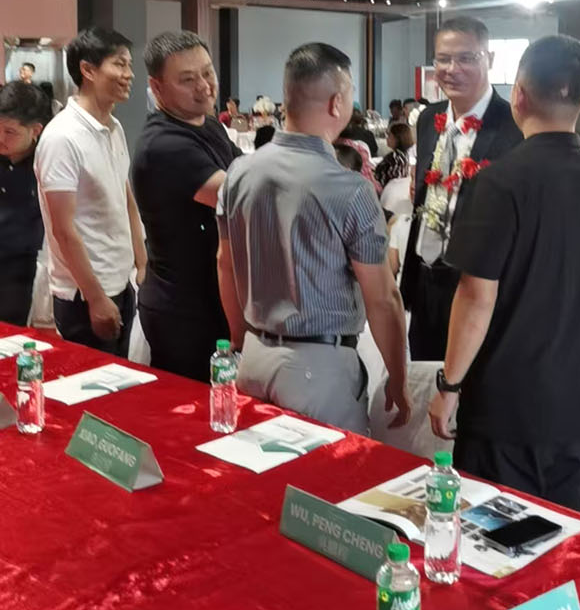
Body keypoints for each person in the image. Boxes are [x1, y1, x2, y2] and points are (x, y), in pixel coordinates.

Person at [428, 35, 580, 511]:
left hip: (505, 404)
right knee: (561, 527)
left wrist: (450, 386)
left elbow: (476, 296)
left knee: (490, 529)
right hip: (577, 400)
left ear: (518, 95)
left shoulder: (497, 183)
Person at [216, 42, 410, 434]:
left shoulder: (239, 172)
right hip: (317, 369)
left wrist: (239, 340)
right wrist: (398, 377)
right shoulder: (349, 189)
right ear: (337, 103)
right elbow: (382, 298)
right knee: (328, 471)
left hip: (254, 357)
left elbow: (225, 263)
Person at [401, 15, 523, 363]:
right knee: (425, 377)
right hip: (426, 279)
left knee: (471, 384)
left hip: (479, 286)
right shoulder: (429, 119)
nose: (452, 69)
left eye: (467, 58)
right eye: (443, 59)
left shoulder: (514, 126)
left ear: (490, 59)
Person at [132, 31, 241, 381]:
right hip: (182, 310)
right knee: (190, 406)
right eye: (188, 79)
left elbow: (244, 168)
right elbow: (238, 193)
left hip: (211, 298)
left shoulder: (209, 126)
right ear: (157, 87)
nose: (204, 86)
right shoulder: (163, 145)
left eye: (207, 72)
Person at [35, 27, 145, 355]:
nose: (129, 74)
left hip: (121, 281)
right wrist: (95, 297)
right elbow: (63, 229)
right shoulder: (62, 137)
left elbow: (125, 197)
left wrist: (142, 263)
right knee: (94, 384)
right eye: (120, 64)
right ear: (88, 70)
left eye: (129, 65)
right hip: (84, 295)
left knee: (125, 379)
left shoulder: (114, 127)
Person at [0, 82, 51, 324]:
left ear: (35, 131)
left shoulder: (48, 161)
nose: (1, 138)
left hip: (24, 266)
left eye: (10, 132)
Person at [375, 121, 413, 189]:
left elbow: (390, 180)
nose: (387, 138)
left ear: (397, 139)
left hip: (385, 191)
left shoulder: (394, 158)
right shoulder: (404, 155)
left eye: (389, 136)